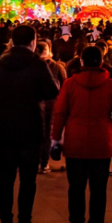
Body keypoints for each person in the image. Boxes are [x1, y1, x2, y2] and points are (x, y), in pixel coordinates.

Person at [0, 25, 60, 223]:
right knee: (28, 179)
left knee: (6, 176)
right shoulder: (38, 65)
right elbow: (51, 91)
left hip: (2, 128)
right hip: (31, 127)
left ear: (12, 41)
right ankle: (24, 222)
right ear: (33, 41)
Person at [51, 46, 112, 223]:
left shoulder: (70, 84)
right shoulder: (111, 85)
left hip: (75, 139)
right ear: (101, 62)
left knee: (75, 186)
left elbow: (59, 112)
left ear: (81, 62)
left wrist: (56, 137)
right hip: (102, 139)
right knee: (99, 187)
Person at [37, 40, 66, 173]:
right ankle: (44, 163)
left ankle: (34, 162)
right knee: (47, 133)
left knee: (35, 134)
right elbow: (64, 85)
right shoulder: (57, 66)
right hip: (52, 104)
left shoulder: (31, 65)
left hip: (35, 104)